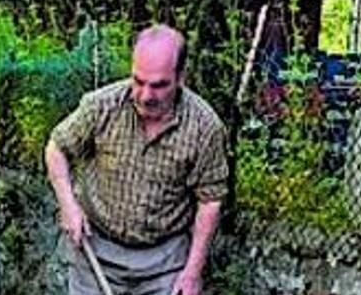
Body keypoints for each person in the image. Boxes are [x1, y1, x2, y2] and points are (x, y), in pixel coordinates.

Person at [45, 25, 229, 295]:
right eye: (138, 81)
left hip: (165, 261)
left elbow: (210, 200)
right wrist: (69, 205)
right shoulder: (102, 106)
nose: (145, 95)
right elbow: (56, 148)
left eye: (158, 85)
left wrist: (192, 272)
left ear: (180, 77)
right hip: (96, 251)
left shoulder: (205, 127)